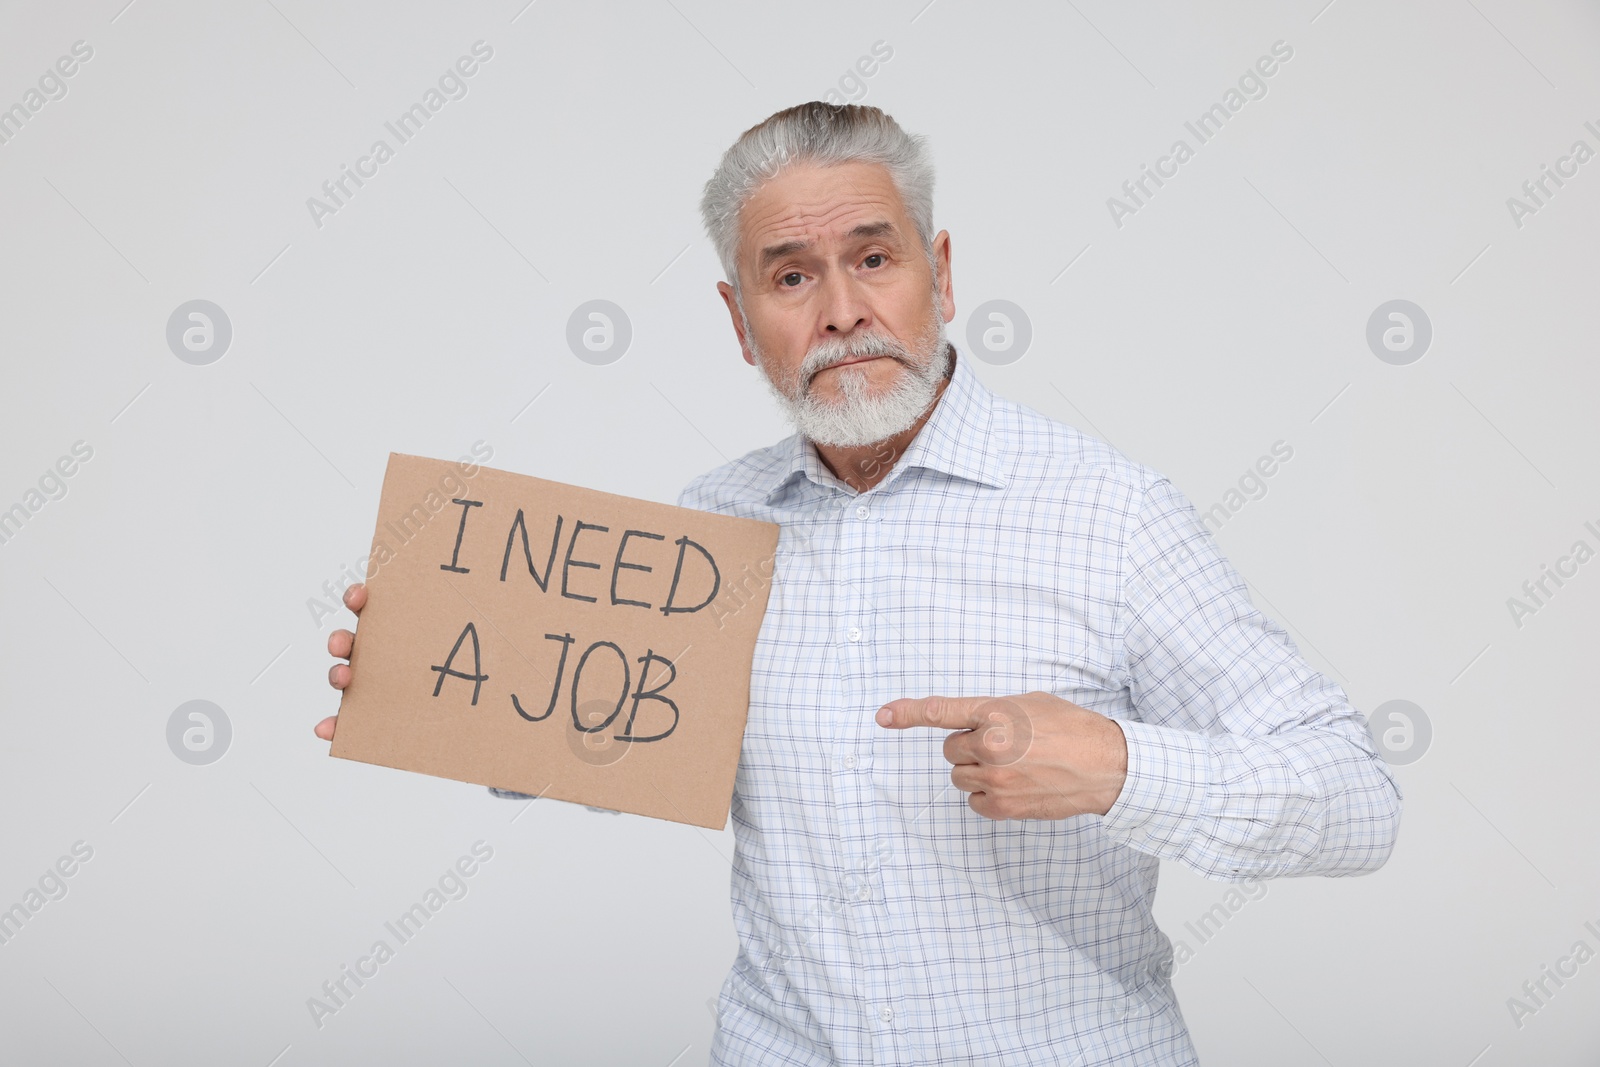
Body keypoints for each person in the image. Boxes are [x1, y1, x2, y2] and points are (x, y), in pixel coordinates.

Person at [320, 102, 1402, 1066]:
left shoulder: (1111, 513)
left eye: (872, 259)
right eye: (790, 275)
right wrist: (450, 674)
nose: (839, 311)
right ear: (741, 321)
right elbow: (614, 744)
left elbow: (1356, 801)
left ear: (938, 271)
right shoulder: (709, 529)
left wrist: (1120, 764)